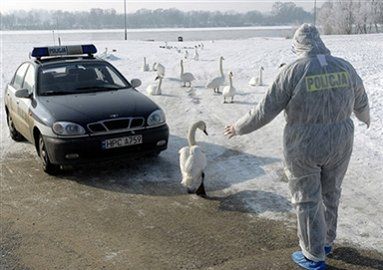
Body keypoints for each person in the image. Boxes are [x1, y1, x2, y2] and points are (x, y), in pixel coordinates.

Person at [224, 24, 370, 270]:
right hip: (340, 140)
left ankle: (313, 255)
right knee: (331, 191)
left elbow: (265, 109)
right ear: (320, 41)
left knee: (307, 197)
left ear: (299, 44)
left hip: (304, 144)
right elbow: (361, 98)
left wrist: (239, 127)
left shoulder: (294, 71)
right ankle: (325, 241)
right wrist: (365, 117)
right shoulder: (344, 66)